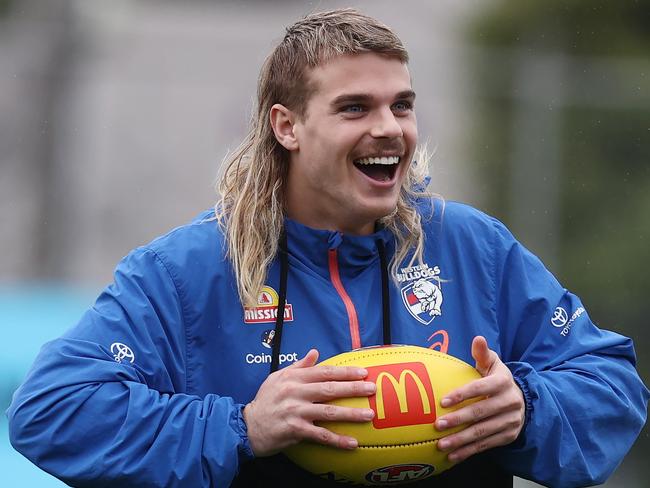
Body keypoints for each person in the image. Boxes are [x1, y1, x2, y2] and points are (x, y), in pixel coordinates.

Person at [7, 8, 648, 488]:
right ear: (287, 125)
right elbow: (52, 410)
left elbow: (613, 386)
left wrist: (526, 410)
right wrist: (241, 428)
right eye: (354, 108)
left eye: (402, 105)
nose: (388, 129)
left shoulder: (471, 248)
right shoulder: (189, 270)